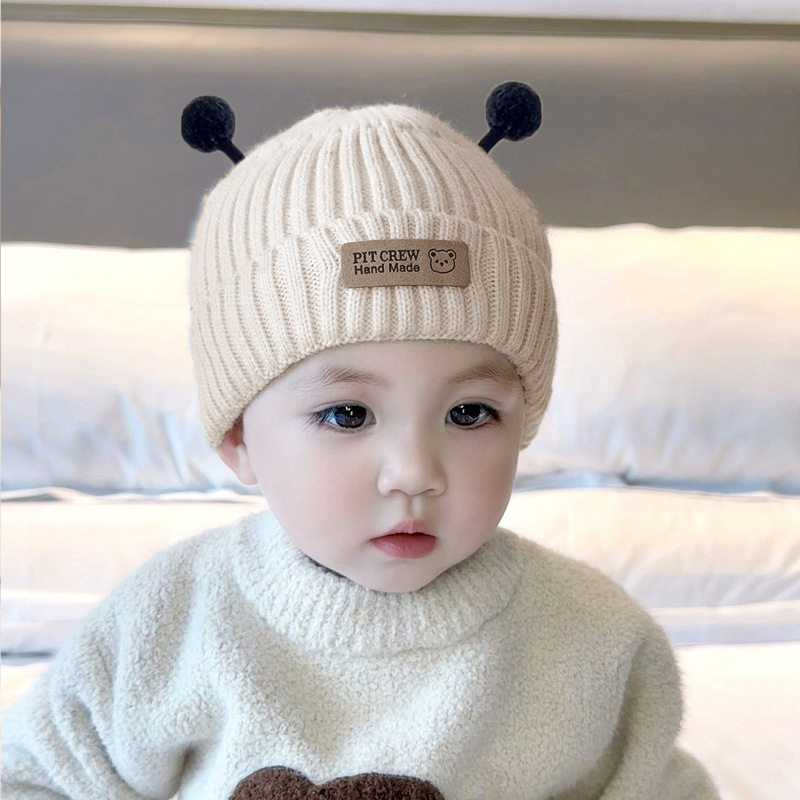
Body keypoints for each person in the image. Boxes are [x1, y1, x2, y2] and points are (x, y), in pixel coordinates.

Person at [1, 100, 719, 800]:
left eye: (469, 413)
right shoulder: (169, 621)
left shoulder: (594, 640)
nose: (414, 473)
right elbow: (30, 778)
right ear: (238, 438)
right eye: (347, 414)